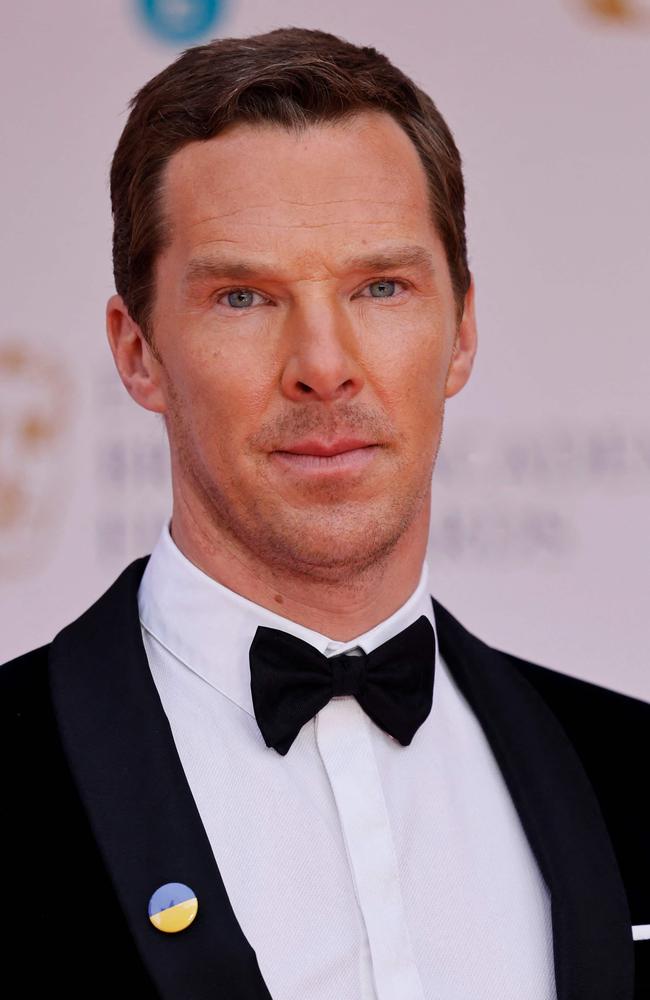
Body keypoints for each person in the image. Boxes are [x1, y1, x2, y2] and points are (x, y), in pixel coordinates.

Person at [1, 26, 648, 1000]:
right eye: (244, 297)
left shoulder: (631, 771)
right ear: (136, 350)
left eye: (379, 287)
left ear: (460, 329)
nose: (323, 362)